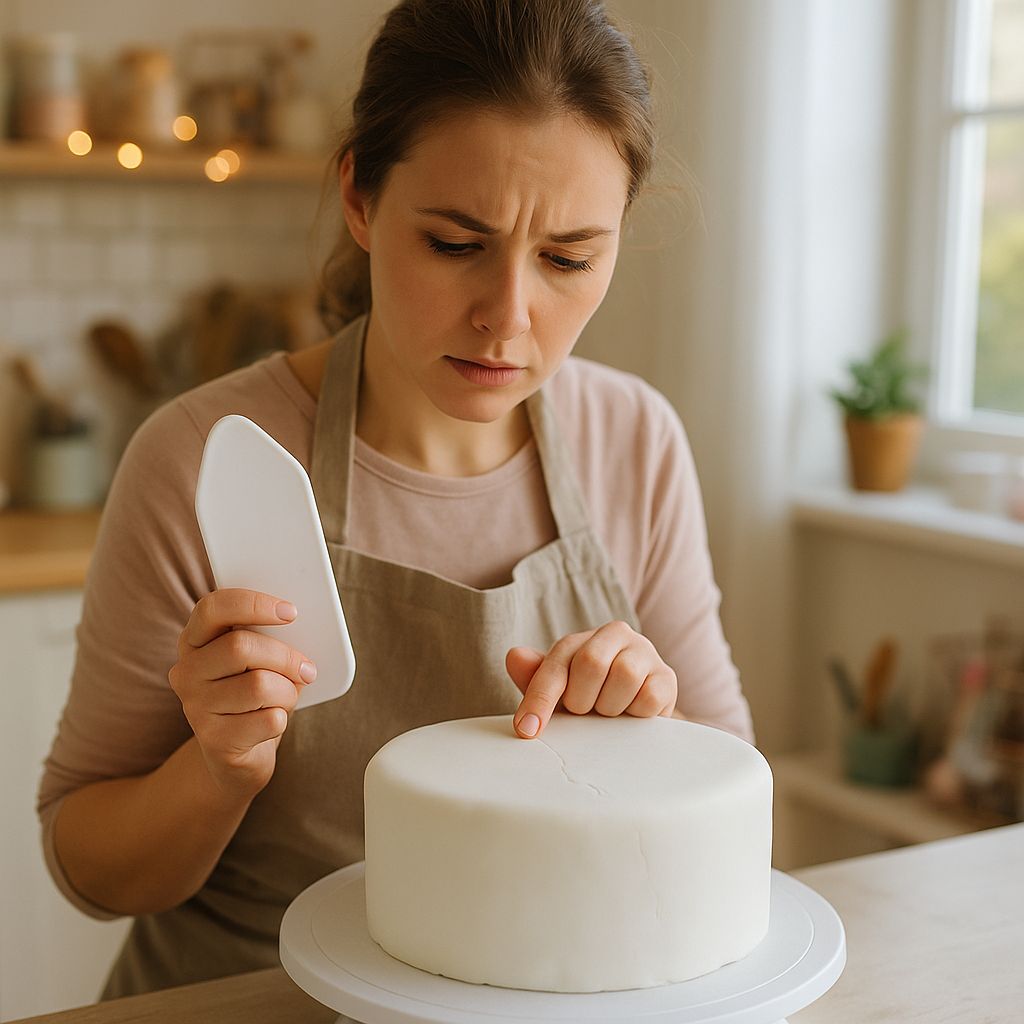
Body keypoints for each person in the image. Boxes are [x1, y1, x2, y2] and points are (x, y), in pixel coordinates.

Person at [37, 0, 754, 1000]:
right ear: (361, 201)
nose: (507, 318)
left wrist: (655, 732)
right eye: (457, 243)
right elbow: (88, 868)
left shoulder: (633, 441)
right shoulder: (202, 457)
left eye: (567, 259)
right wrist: (217, 767)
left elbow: (737, 812)